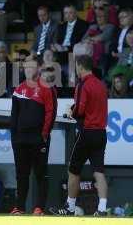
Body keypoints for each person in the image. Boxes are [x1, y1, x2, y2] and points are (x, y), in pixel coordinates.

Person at [50, 55, 108, 217]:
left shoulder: (83, 84)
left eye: (76, 66)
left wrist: (70, 112)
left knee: (73, 170)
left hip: (86, 132)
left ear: (80, 67)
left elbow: (80, 110)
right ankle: (102, 209)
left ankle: (70, 207)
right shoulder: (101, 85)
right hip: (101, 133)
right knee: (99, 172)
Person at [10, 55, 57, 215]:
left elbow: (51, 113)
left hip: (39, 139)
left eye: (31, 66)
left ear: (38, 68)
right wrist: (14, 138)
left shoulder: (47, 87)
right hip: (20, 140)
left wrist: (44, 134)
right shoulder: (18, 89)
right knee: (21, 174)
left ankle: (39, 207)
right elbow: (14, 116)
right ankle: (19, 207)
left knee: (40, 173)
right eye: (26, 67)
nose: (28, 70)